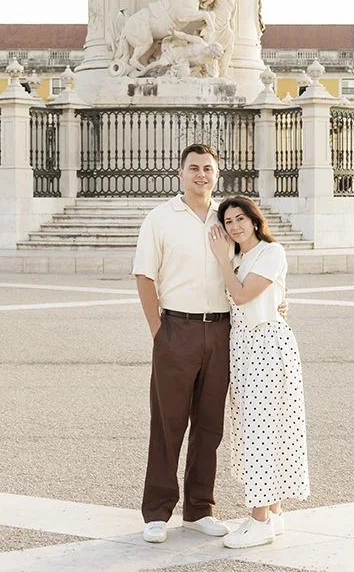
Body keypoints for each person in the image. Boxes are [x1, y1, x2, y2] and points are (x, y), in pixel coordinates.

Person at [132, 144, 234, 543]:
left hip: (221, 331)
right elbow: (144, 276)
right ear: (180, 173)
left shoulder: (228, 217)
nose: (201, 175)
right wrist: (159, 330)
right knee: (168, 423)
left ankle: (199, 508)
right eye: (194, 168)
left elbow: (254, 260)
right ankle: (156, 512)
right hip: (176, 328)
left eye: (208, 169)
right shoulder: (160, 219)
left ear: (217, 173)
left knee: (210, 426)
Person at [210, 196, 310, 548]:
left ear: (254, 221)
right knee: (260, 429)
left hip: (266, 346)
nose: (235, 226)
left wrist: (222, 260)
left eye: (241, 218)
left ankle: (259, 519)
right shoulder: (239, 257)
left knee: (262, 431)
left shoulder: (271, 251)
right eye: (228, 221)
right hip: (244, 348)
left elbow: (241, 296)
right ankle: (274, 511)